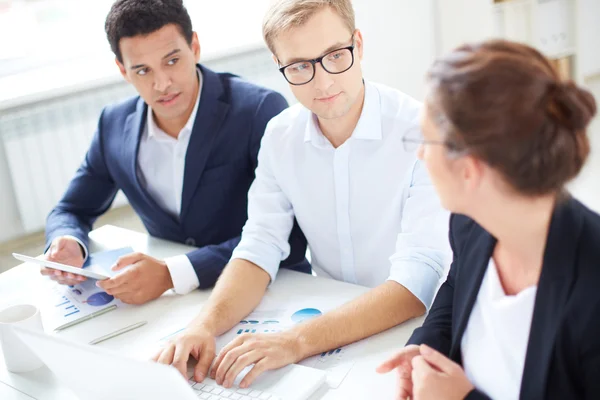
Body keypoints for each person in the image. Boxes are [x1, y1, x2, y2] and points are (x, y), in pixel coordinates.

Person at [154, 0, 449, 388]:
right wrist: (203, 326)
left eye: (334, 56)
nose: (322, 82)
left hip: (414, 334)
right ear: (280, 66)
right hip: (328, 327)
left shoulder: (419, 130)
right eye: (299, 66)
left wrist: (295, 342)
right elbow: (259, 246)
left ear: (358, 45)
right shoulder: (280, 136)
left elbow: (417, 284)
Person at [41, 0, 310, 305]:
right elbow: (70, 210)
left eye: (172, 61)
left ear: (194, 46)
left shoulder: (257, 109)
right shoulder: (113, 124)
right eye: (142, 70)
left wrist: (173, 272)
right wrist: (68, 240)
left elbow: (292, 232)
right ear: (122, 70)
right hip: (169, 303)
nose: (162, 84)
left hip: (269, 291)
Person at [377, 39, 600, 399]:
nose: (419, 153)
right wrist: (426, 348)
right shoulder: (471, 221)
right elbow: (457, 285)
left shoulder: (591, 289)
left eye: (426, 141)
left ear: (469, 170)